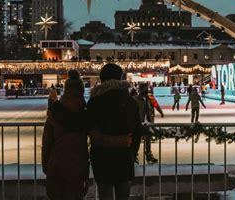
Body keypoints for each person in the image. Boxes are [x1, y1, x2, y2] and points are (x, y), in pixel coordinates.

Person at [42, 70, 131, 200]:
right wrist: (121, 141)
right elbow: (97, 137)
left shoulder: (54, 112)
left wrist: (46, 165)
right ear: (81, 91)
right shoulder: (85, 114)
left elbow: (47, 142)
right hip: (77, 167)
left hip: (56, 165)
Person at [87, 64, 142, 200]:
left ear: (102, 79)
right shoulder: (130, 101)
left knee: (105, 194)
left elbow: (88, 126)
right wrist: (131, 153)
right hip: (124, 156)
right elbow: (137, 130)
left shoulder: (95, 101)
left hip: (102, 156)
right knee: (123, 193)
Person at [134, 83, 158, 164]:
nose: (146, 90)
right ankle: (134, 156)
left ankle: (148, 155)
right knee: (136, 140)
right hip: (138, 123)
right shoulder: (135, 99)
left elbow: (156, 105)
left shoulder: (150, 97)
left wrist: (160, 112)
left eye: (147, 89)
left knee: (148, 140)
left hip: (148, 123)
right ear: (140, 90)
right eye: (144, 89)